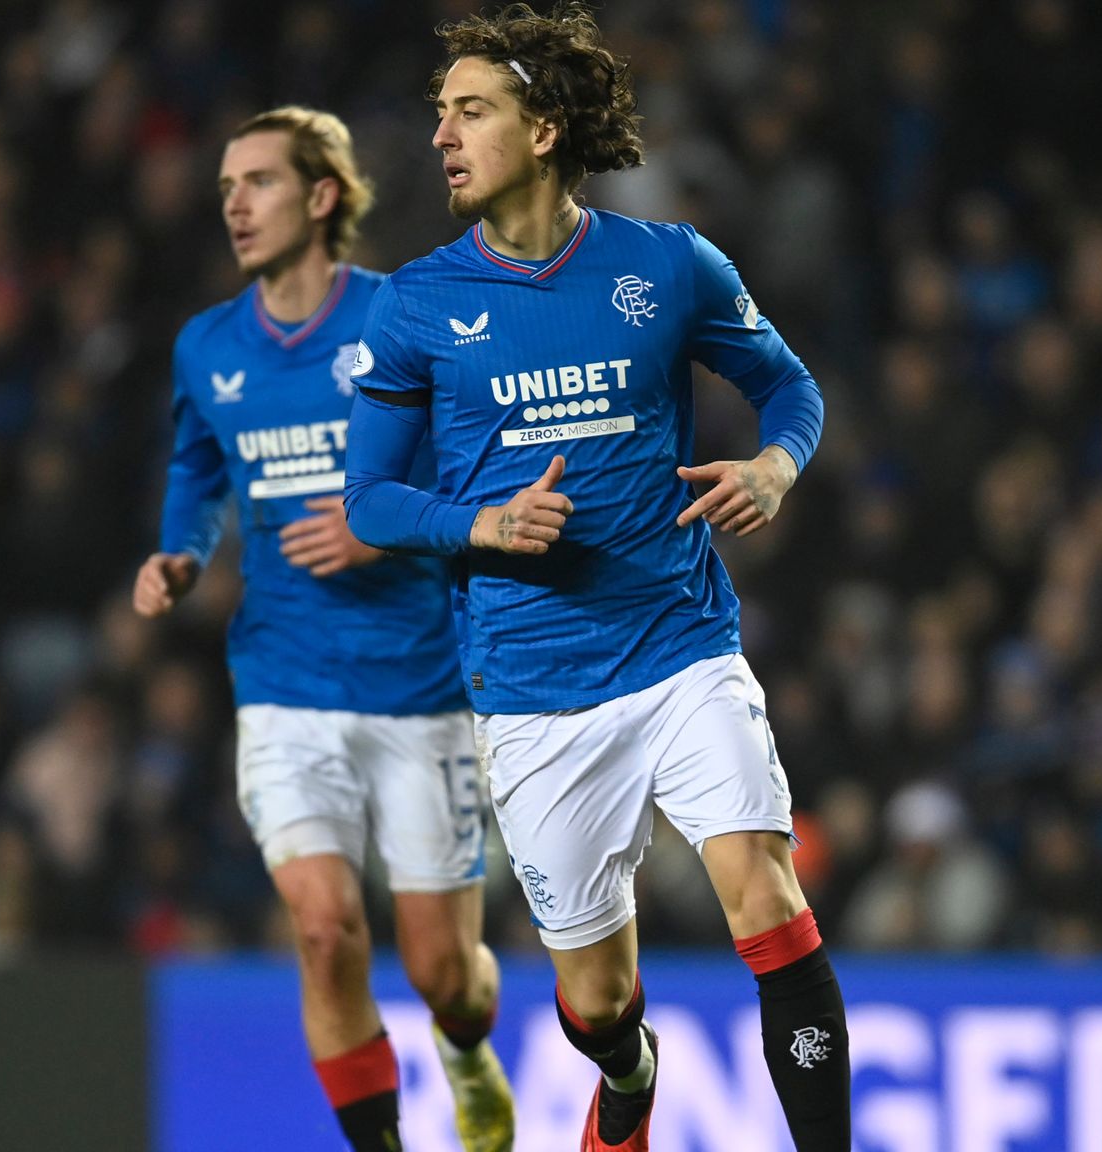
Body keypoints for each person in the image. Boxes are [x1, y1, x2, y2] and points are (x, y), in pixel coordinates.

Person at [342, 7, 851, 1148]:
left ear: (543, 127)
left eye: (468, 110)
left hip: (680, 645)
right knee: (598, 1003)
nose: (441, 136)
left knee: (766, 898)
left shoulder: (666, 264)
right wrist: (483, 523)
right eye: (439, 115)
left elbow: (791, 392)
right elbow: (368, 499)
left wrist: (774, 467)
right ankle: (627, 1076)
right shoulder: (414, 304)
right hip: (531, 689)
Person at [133, 106, 514, 1152]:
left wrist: (381, 532)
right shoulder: (207, 346)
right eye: (223, 189)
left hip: (418, 688)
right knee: (322, 927)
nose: (234, 207)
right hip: (283, 685)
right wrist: (181, 552)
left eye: (255, 182)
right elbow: (196, 466)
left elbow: (480, 476)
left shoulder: (405, 318)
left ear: (321, 195)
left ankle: (468, 1048)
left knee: (445, 975)